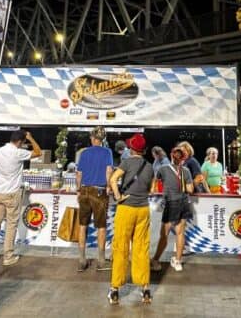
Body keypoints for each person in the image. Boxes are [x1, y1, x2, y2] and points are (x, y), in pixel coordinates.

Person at [107, 134, 154, 305]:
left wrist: (119, 195)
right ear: (144, 150)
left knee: (121, 247)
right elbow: (151, 188)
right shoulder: (149, 167)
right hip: (143, 209)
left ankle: (115, 290)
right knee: (141, 247)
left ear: (132, 149)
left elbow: (113, 179)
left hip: (126, 208)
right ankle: (145, 288)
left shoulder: (126, 162)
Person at [0, 130, 41, 266]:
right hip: (12, 194)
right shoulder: (18, 152)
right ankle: (8, 256)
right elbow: (38, 152)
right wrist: (31, 138)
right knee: (11, 225)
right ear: (21, 142)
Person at [76, 126, 114, 272]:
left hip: (84, 190)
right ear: (102, 139)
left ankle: (81, 260)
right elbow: (109, 170)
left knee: (82, 225)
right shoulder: (107, 152)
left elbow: (79, 173)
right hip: (99, 191)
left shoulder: (84, 153)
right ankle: (101, 260)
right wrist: (109, 188)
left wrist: (78, 189)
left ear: (92, 138)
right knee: (101, 226)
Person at [150, 146, 194, 273]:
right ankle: (178, 261)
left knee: (164, 234)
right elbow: (190, 190)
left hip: (171, 204)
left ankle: (156, 260)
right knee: (180, 233)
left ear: (171, 156)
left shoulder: (162, 169)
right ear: (183, 158)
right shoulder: (185, 171)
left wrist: (153, 189)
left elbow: (154, 181)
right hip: (184, 203)